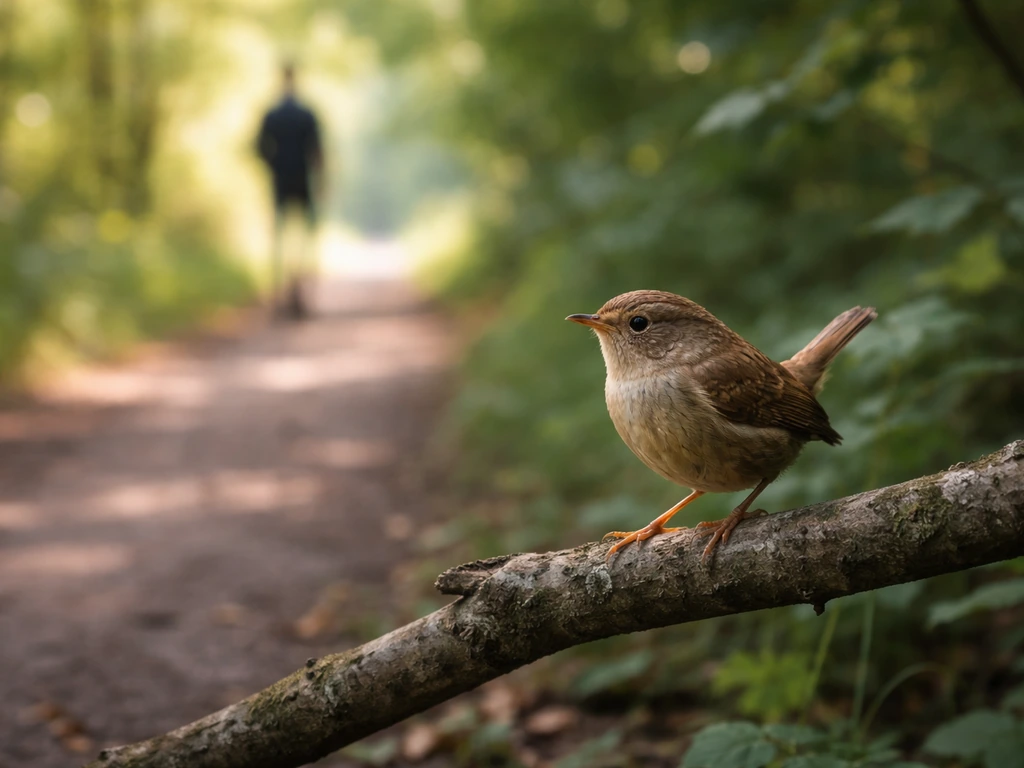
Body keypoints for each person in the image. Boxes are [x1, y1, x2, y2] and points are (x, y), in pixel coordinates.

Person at [256, 62, 323, 319]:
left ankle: (281, 292)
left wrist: (273, 164)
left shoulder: (272, 115)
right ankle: (302, 287)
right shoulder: (306, 114)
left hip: (280, 181)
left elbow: (260, 147)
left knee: (280, 238)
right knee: (305, 237)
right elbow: (317, 152)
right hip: (302, 180)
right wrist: (320, 181)